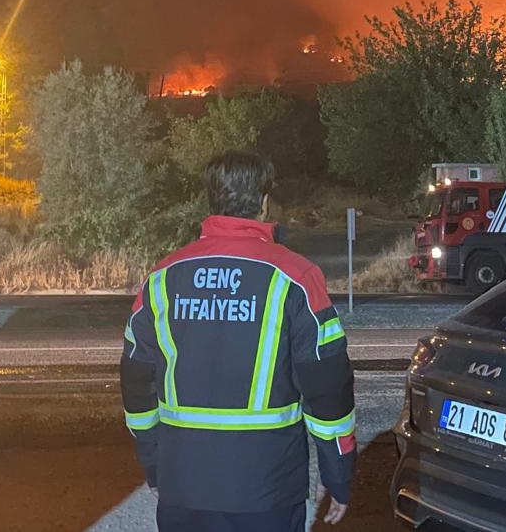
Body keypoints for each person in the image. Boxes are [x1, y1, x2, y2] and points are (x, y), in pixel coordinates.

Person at [121, 151, 356, 531]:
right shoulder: (296, 277)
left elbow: (137, 382)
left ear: (211, 199)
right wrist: (337, 472)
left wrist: (154, 464)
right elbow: (327, 388)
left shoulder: (162, 278)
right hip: (267, 490)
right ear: (264, 201)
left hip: (184, 486)